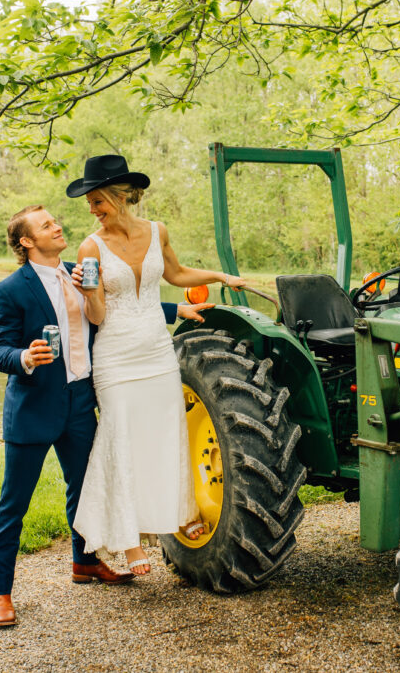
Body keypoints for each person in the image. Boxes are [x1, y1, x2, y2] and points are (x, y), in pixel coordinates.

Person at [0, 204, 212, 627]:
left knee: (83, 487)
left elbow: (122, 308)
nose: (58, 226)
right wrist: (25, 356)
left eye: (55, 221)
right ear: (26, 242)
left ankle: (85, 563)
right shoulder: (8, 290)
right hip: (33, 408)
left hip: (81, 402)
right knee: (14, 503)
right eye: (46, 225)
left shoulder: (81, 270)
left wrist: (174, 310)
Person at [65, 154, 245, 575]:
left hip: (157, 351)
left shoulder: (157, 230)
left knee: (167, 434)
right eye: (90, 204)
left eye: (97, 201)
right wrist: (89, 294)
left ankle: (178, 515)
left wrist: (220, 277)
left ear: (119, 196)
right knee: (121, 438)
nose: (92, 210)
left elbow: (177, 274)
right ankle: (129, 543)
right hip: (116, 354)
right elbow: (96, 317)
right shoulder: (89, 247)